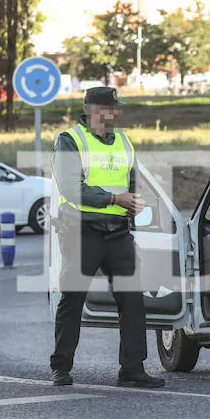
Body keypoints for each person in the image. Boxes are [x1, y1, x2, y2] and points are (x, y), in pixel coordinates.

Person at [51, 86, 165, 389]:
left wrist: (132, 216)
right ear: (95, 111)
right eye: (112, 108)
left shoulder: (125, 142)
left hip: (118, 233)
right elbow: (70, 188)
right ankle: (60, 367)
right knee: (72, 299)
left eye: (117, 108)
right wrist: (116, 200)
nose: (117, 113)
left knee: (132, 300)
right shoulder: (70, 140)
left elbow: (132, 184)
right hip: (82, 230)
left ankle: (132, 369)